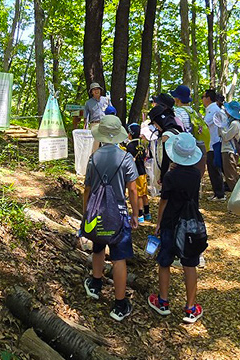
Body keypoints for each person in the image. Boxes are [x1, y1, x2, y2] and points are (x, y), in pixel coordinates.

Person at [82, 115, 141, 321]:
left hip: (97, 212)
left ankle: (96, 284)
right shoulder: (125, 158)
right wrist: (135, 214)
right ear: (118, 136)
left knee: (98, 246)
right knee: (118, 258)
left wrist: (85, 213)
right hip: (118, 214)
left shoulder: (94, 158)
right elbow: (132, 190)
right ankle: (119, 303)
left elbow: (87, 189)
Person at [147, 132, 206, 324]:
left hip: (170, 223)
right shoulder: (196, 175)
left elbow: (164, 202)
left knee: (164, 261)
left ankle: (163, 301)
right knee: (190, 264)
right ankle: (190, 308)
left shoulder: (171, 176)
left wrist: (158, 223)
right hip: (190, 223)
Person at [124, 123, 151, 223]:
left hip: (136, 173)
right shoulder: (141, 144)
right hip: (143, 171)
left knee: (138, 194)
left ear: (130, 134)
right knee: (144, 193)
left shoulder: (130, 146)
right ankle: (147, 213)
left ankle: (140, 214)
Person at [201, 89, 226, 201]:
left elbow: (204, 124)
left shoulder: (213, 109)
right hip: (213, 143)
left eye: (203, 97)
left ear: (208, 98)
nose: (202, 99)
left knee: (214, 169)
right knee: (213, 168)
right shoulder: (213, 109)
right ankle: (218, 193)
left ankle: (220, 194)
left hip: (213, 143)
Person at [219, 100, 240, 192]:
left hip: (229, 151)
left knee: (230, 175)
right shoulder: (232, 123)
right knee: (231, 174)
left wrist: (220, 129)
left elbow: (226, 137)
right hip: (228, 150)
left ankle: (237, 194)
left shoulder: (234, 124)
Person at [84, 83, 110, 151]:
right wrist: (85, 128)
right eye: (94, 89)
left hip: (105, 123)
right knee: (94, 144)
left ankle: (108, 159)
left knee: (107, 143)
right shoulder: (88, 103)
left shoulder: (106, 100)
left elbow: (112, 111)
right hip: (94, 124)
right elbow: (85, 116)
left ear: (100, 90)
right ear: (91, 92)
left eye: (97, 89)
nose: (96, 91)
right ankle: (93, 159)